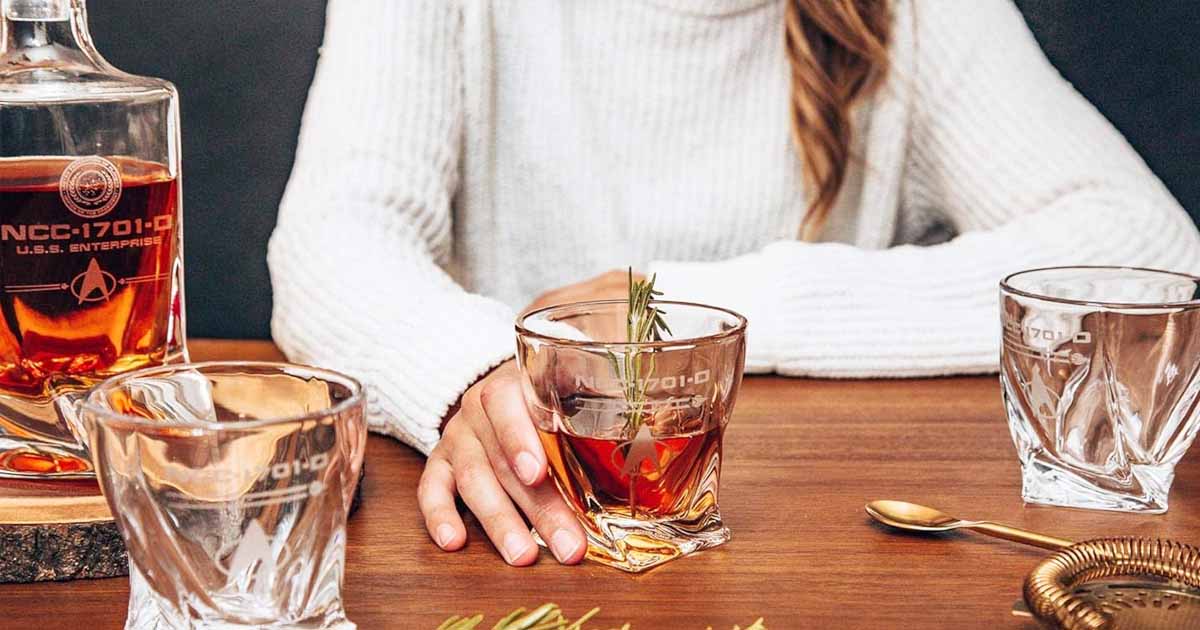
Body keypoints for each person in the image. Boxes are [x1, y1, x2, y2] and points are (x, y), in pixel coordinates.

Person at [267, 0, 1200, 567]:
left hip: (805, 546)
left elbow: (1151, 254)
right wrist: (473, 373)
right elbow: (331, 240)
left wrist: (672, 308)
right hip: (531, 536)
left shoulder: (916, 15)